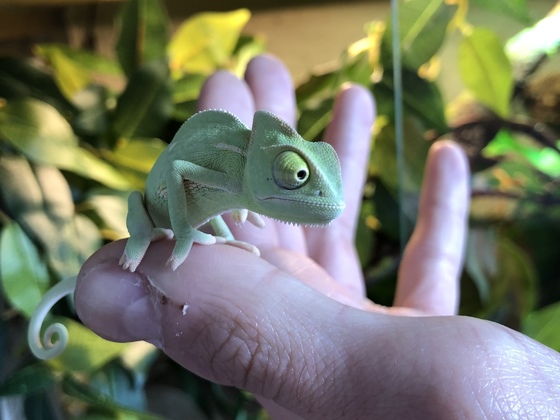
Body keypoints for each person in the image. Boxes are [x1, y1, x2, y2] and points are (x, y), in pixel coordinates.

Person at [74, 55, 560, 419]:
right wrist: (179, 232)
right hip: (155, 209)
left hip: (208, 201)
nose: (308, 189)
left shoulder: (244, 177)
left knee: (224, 228)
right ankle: (154, 238)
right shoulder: (234, 164)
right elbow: (178, 168)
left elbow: (215, 190)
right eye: (294, 173)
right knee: (166, 234)